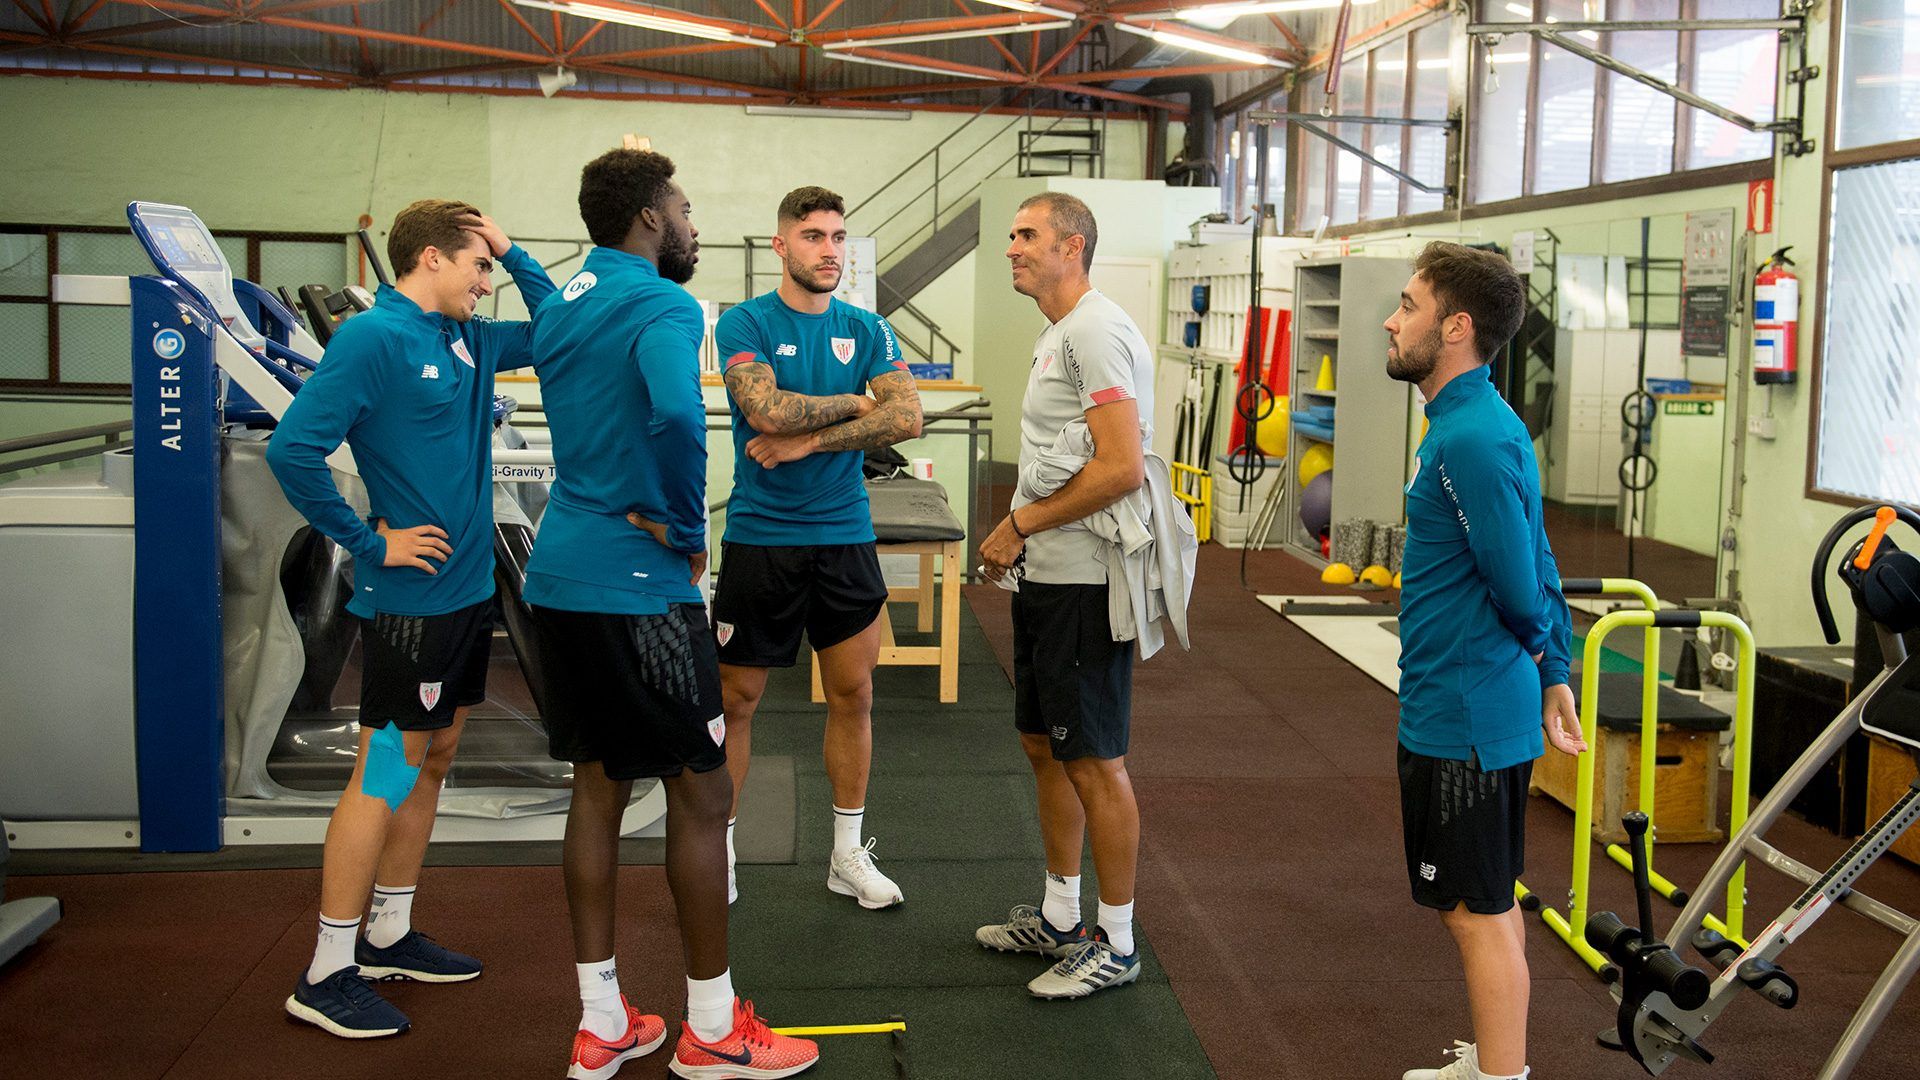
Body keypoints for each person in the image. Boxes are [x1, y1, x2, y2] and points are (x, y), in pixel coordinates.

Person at [527, 148, 818, 1080]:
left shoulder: (565, 302)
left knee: (599, 784)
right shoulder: (662, 301)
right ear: (651, 217)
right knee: (703, 793)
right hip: (637, 588)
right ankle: (710, 1029)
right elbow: (678, 415)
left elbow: (556, 312)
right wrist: (689, 525)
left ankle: (604, 1020)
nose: (691, 225)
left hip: (558, 580)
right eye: (685, 208)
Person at [267, 200, 557, 1038]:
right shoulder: (372, 339)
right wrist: (368, 540)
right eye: (477, 266)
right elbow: (295, 450)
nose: (486, 281)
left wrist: (513, 247)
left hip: (465, 596)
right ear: (430, 259)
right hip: (411, 602)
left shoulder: (467, 337)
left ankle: (388, 930)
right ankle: (326, 967)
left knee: (436, 758)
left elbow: (556, 332)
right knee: (385, 770)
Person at [1387, 242, 1586, 1080]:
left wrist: (1545, 660)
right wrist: (1556, 675)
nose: (1392, 321)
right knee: (1487, 906)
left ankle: (1502, 1077)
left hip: (1462, 717)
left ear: (1456, 327)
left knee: (1475, 913)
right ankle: (1496, 1065)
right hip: (1467, 704)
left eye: (1408, 305)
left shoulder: (1470, 437)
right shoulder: (1473, 424)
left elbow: (1517, 582)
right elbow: (1537, 553)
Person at [711, 185, 922, 911]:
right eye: (812, 236)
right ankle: (723, 852)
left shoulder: (868, 327)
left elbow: (909, 415)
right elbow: (762, 406)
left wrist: (812, 438)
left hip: (843, 535)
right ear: (781, 245)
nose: (828, 249)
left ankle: (845, 855)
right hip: (760, 537)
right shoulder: (745, 322)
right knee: (737, 700)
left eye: (837, 237)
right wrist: (857, 403)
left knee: (855, 695)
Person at [975, 192, 1156, 1000]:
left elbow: (1120, 465)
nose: (1013, 248)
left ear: (1071, 247)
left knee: (1094, 759)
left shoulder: (1094, 329)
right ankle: (1058, 919)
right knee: (1046, 747)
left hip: (1085, 579)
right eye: (1013, 235)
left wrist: (1020, 521)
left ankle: (1115, 943)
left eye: (1027, 236)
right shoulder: (1059, 332)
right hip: (1047, 578)